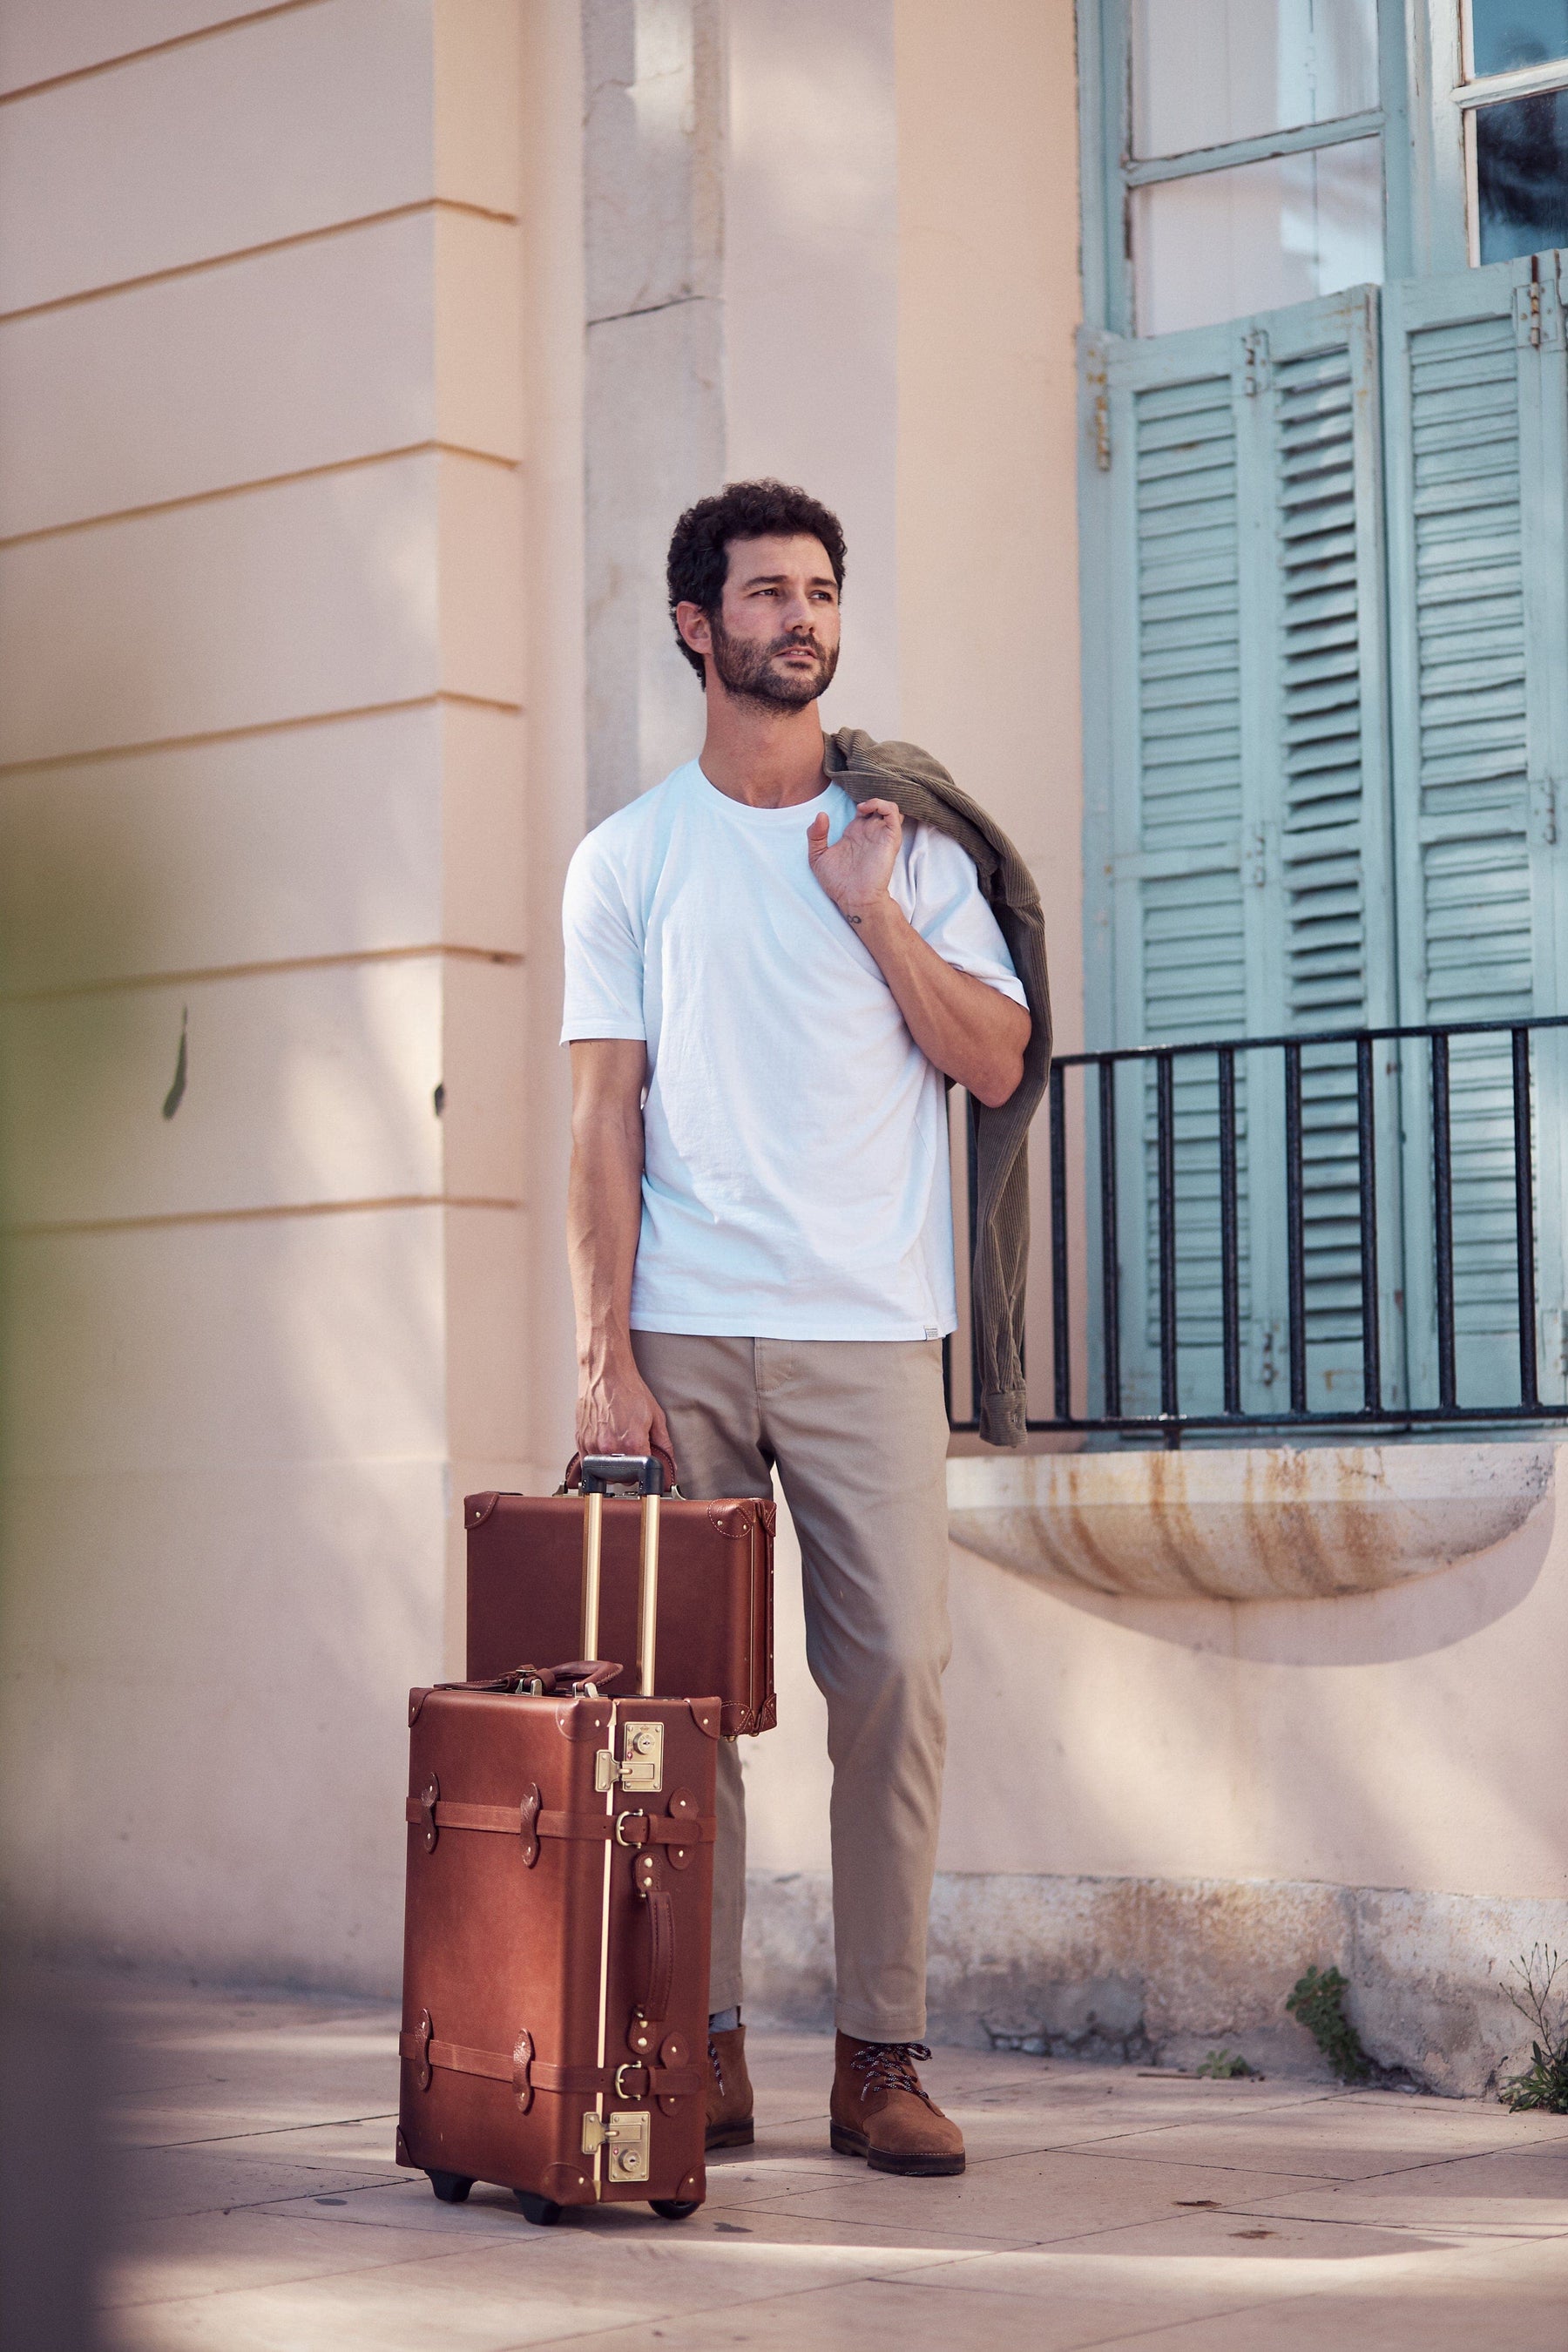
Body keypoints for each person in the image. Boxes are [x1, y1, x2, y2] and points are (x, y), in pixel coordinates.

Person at [561, 478, 1038, 2178]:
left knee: (898, 1676)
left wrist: (875, 911)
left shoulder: (916, 846)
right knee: (685, 1707)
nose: (801, 618)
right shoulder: (626, 861)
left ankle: (879, 2060)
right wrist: (603, 1351)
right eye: (766, 593)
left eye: (821, 590)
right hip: (687, 1329)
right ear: (698, 627)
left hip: (867, 1327)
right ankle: (702, 2052)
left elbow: (992, 1059)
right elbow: (600, 1117)